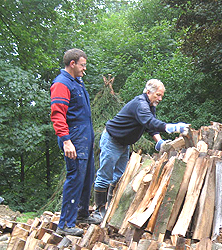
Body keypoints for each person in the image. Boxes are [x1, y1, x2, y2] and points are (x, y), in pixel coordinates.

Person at [93, 79, 188, 219]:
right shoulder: (140, 104)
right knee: (105, 176)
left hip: (124, 143)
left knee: (119, 177)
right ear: (148, 92)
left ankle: (111, 209)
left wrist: (159, 141)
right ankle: (99, 211)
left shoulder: (150, 106)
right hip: (112, 140)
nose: (160, 99)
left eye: (161, 96)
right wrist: (170, 127)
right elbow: (150, 121)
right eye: (158, 95)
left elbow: (150, 126)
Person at [50, 48, 101, 237]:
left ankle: (81, 214)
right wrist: (66, 141)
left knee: (87, 176)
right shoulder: (62, 84)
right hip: (74, 138)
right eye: (82, 65)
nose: (84, 69)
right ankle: (65, 224)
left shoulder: (76, 82)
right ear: (73, 64)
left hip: (84, 137)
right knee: (75, 178)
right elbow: (58, 115)